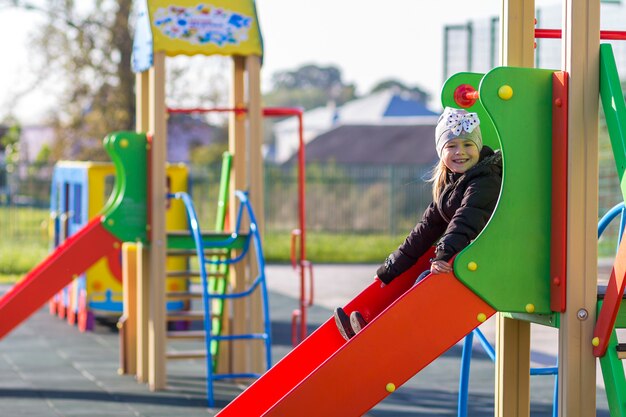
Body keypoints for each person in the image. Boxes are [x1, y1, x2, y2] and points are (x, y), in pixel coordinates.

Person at [334, 107, 503, 341]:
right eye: (451, 146)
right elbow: (425, 229)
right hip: (468, 257)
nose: (460, 152)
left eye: (467, 145)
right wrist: (391, 268)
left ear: (478, 146)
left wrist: (444, 254)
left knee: (427, 283)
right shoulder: (451, 183)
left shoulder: (485, 179)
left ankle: (381, 334)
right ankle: (371, 324)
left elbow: (467, 217)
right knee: (420, 279)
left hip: (488, 261)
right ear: (440, 152)